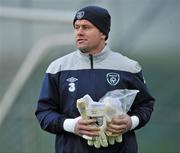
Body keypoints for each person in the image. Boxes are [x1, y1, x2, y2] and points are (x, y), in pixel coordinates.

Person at [35, 5, 155, 153]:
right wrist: (72, 125)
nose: (79, 32)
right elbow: (44, 113)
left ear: (103, 33)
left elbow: (145, 106)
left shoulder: (129, 67)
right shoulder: (57, 68)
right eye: (76, 27)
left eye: (86, 27)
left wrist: (131, 122)